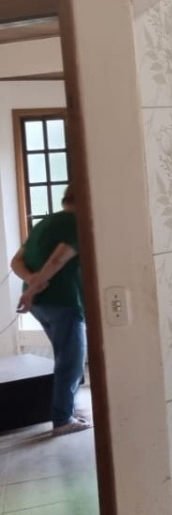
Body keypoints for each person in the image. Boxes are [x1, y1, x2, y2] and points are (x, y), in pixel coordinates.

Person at [10, 185, 90, 436]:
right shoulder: (76, 223)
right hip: (63, 300)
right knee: (71, 362)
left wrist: (31, 283)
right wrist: (31, 291)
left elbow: (16, 261)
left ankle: (68, 409)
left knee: (64, 357)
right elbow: (58, 259)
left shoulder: (44, 224)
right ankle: (63, 419)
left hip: (40, 305)